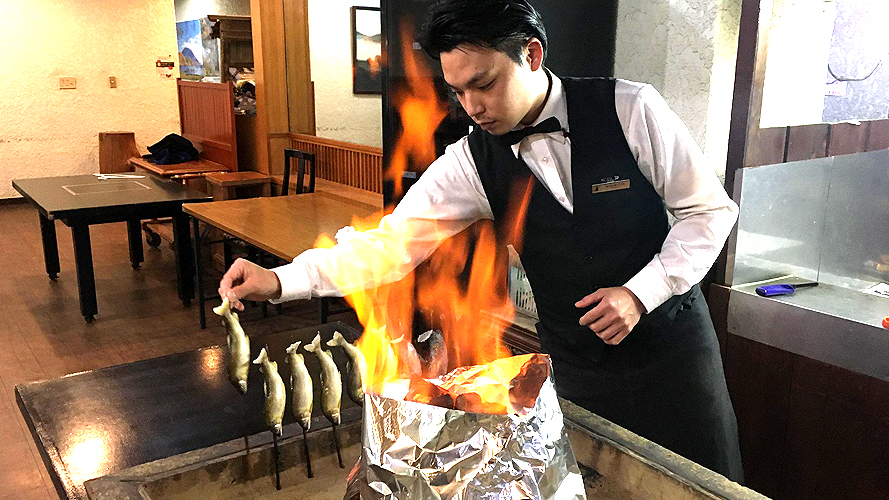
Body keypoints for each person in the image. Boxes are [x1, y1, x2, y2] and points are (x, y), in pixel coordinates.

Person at [218, 0, 743, 482]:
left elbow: (709, 213)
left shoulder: (630, 109)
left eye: (484, 84)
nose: (472, 106)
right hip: (581, 369)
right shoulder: (473, 160)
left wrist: (641, 292)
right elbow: (390, 244)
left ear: (532, 55)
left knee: (702, 486)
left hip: (672, 358)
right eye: (458, 91)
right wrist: (282, 279)